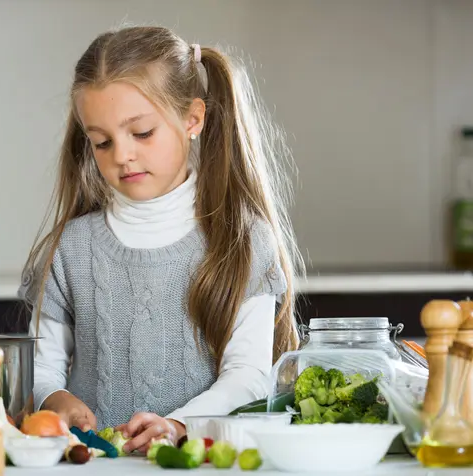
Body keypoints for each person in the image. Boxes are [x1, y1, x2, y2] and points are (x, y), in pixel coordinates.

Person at [18, 25, 304, 455]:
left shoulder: (240, 239)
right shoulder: (70, 248)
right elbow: (41, 371)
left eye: (142, 133)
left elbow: (248, 375)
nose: (122, 155)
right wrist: (54, 400)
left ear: (193, 119)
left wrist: (178, 425)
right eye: (101, 142)